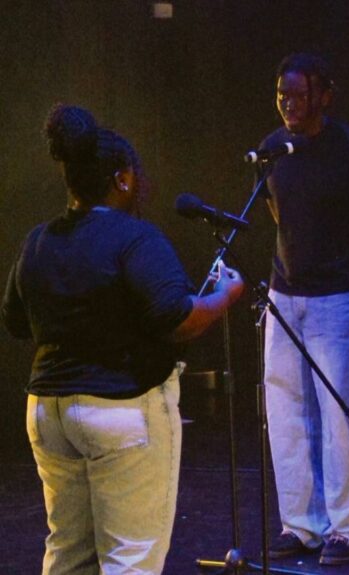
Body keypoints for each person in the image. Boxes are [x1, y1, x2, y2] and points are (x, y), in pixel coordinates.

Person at [1, 104, 245, 573]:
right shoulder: (136, 239)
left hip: (49, 413)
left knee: (68, 555)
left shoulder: (36, 241)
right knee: (130, 560)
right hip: (121, 410)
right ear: (123, 179)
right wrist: (225, 295)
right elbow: (177, 319)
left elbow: (13, 322)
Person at [260, 53, 349, 566]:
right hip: (284, 294)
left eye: (299, 95)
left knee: (341, 414)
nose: (289, 103)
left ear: (323, 96)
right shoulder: (273, 147)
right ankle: (301, 524)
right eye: (282, 94)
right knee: (286, 413)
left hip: (335, 298)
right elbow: (274, 209)